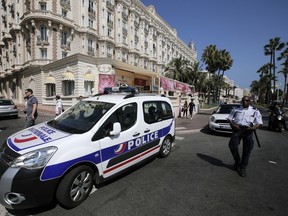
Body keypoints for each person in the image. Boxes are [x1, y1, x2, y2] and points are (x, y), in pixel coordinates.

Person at [227, 96, 263, 177]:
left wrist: (253, 127)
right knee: (232, 146)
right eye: (243, 100)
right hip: (238, 129)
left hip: (248, 130)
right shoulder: (236, 109)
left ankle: (242, 168)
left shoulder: (254, 110)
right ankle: (237, 161)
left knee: (247, 150)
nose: (245, 102)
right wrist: (233, 125)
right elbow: (229, 119)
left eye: (247, 100)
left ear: (250, 101)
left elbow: (259, 123)